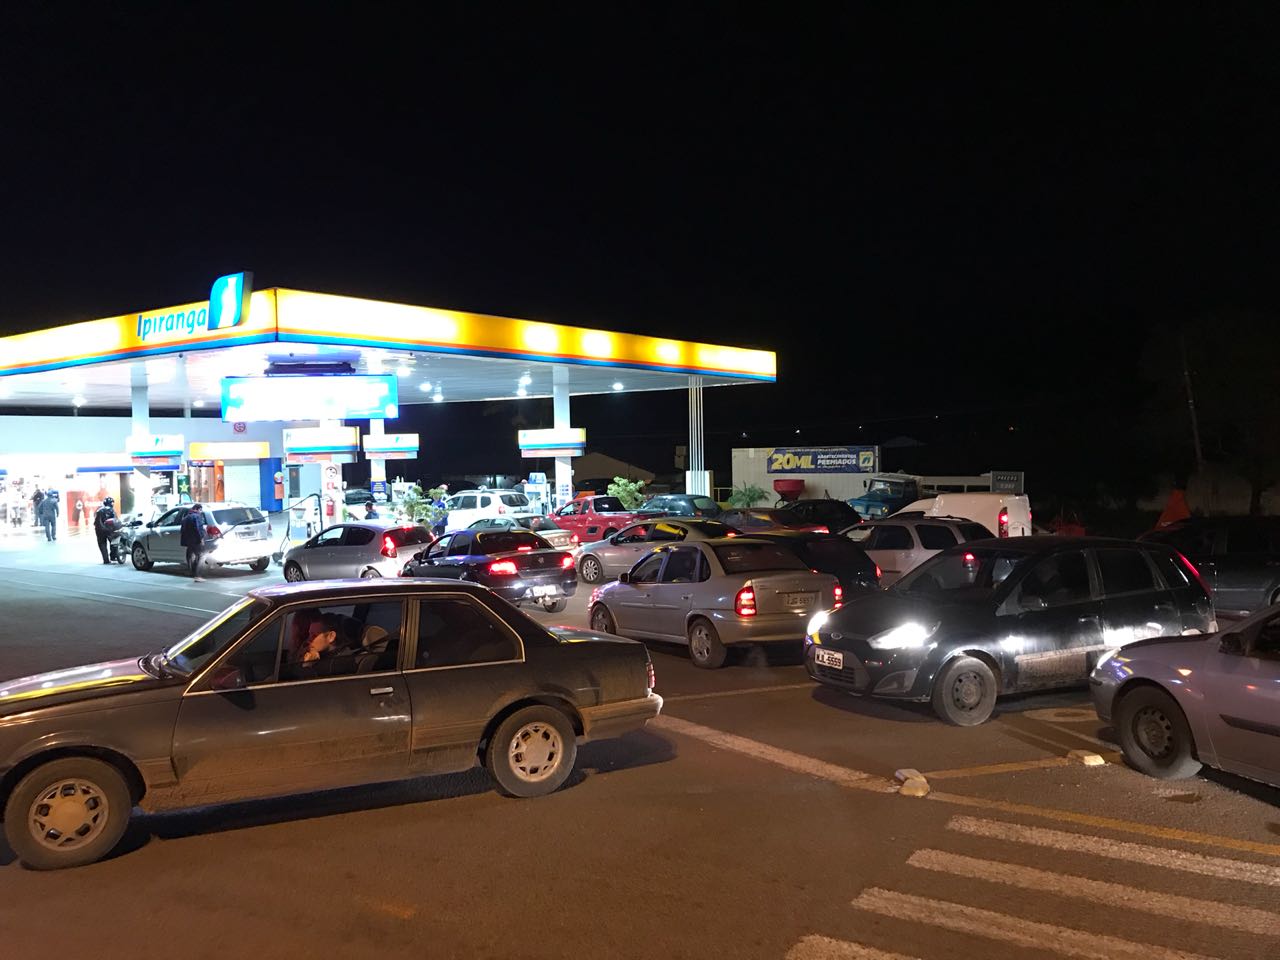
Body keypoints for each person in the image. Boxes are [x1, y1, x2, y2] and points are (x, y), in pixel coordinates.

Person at [180, 503, 212, 582]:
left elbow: (182, 530)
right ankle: (198, 576)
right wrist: (201, 539)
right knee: (202, 556)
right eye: (200, 510)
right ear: (198, 509)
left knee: (190, 557)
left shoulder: (186, 518)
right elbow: (198, 529)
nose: (201, 512)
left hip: (188, 541)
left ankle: (192, 572)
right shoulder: (196, 517)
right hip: (195, 540)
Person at [93, 496, 117, 564]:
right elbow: (115, 520)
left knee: (102, 544)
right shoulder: (111, 510)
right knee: (114, 542)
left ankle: (106, 560)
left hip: (99, 530)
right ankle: (113, 556)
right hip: (109, 529)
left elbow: (96, 521)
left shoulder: (98, 510)